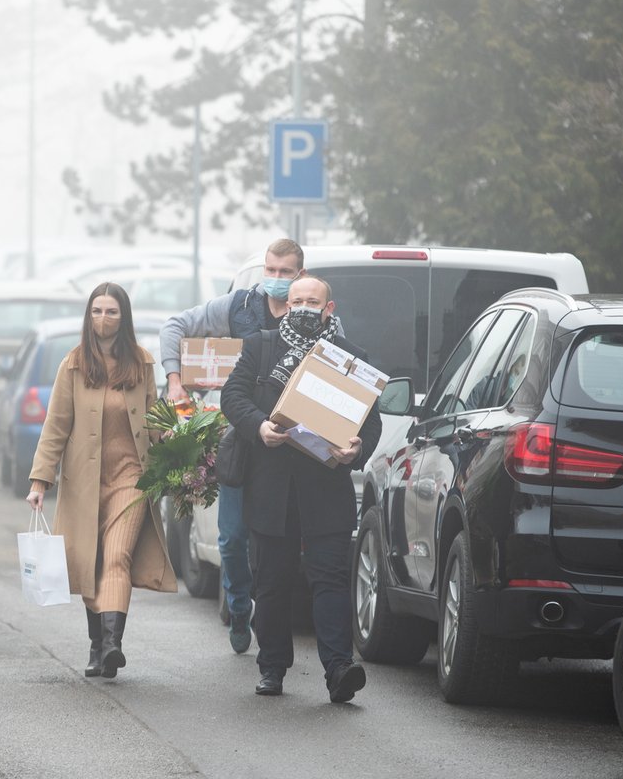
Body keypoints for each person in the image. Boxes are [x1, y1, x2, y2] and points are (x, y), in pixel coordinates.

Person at [160, 238, 327, 654]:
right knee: (231, 538)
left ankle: (268, 623)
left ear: (300, 276)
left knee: (270, 541)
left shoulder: (316, 318)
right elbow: (174, 326)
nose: (275, 279)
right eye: (270, 270)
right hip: (241, 440)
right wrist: (175, 379)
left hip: (293, 446)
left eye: (284, 272)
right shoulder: (239, 307)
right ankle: (238, 607)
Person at [220, 276, 381, 703]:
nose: (305, 307)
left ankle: (338, 669)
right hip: (272, 489)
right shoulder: (260, 347)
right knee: (271, 582)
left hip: (326, 490)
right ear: (285, 306)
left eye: (314, 301)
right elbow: (232, 397)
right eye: (298, 301)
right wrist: (260, 426)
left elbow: (372, 423)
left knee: (329, 580)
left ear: (330, 308)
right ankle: (272, 667)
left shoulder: (351, 360)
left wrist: (357, 448)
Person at [27, 282, 177, 679]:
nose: (103, 319)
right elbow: (56, 425)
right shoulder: (73, 364)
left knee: (117, 557)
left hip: (132, 479)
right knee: (90, 561)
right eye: (97, 311)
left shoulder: (142, 363)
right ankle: (97, 644)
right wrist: (40, 481)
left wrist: (179, 443)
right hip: (84, 483)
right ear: (88, 316)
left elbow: (154, 418)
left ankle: (112, 644)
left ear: (123, 317)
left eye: (111, 312)